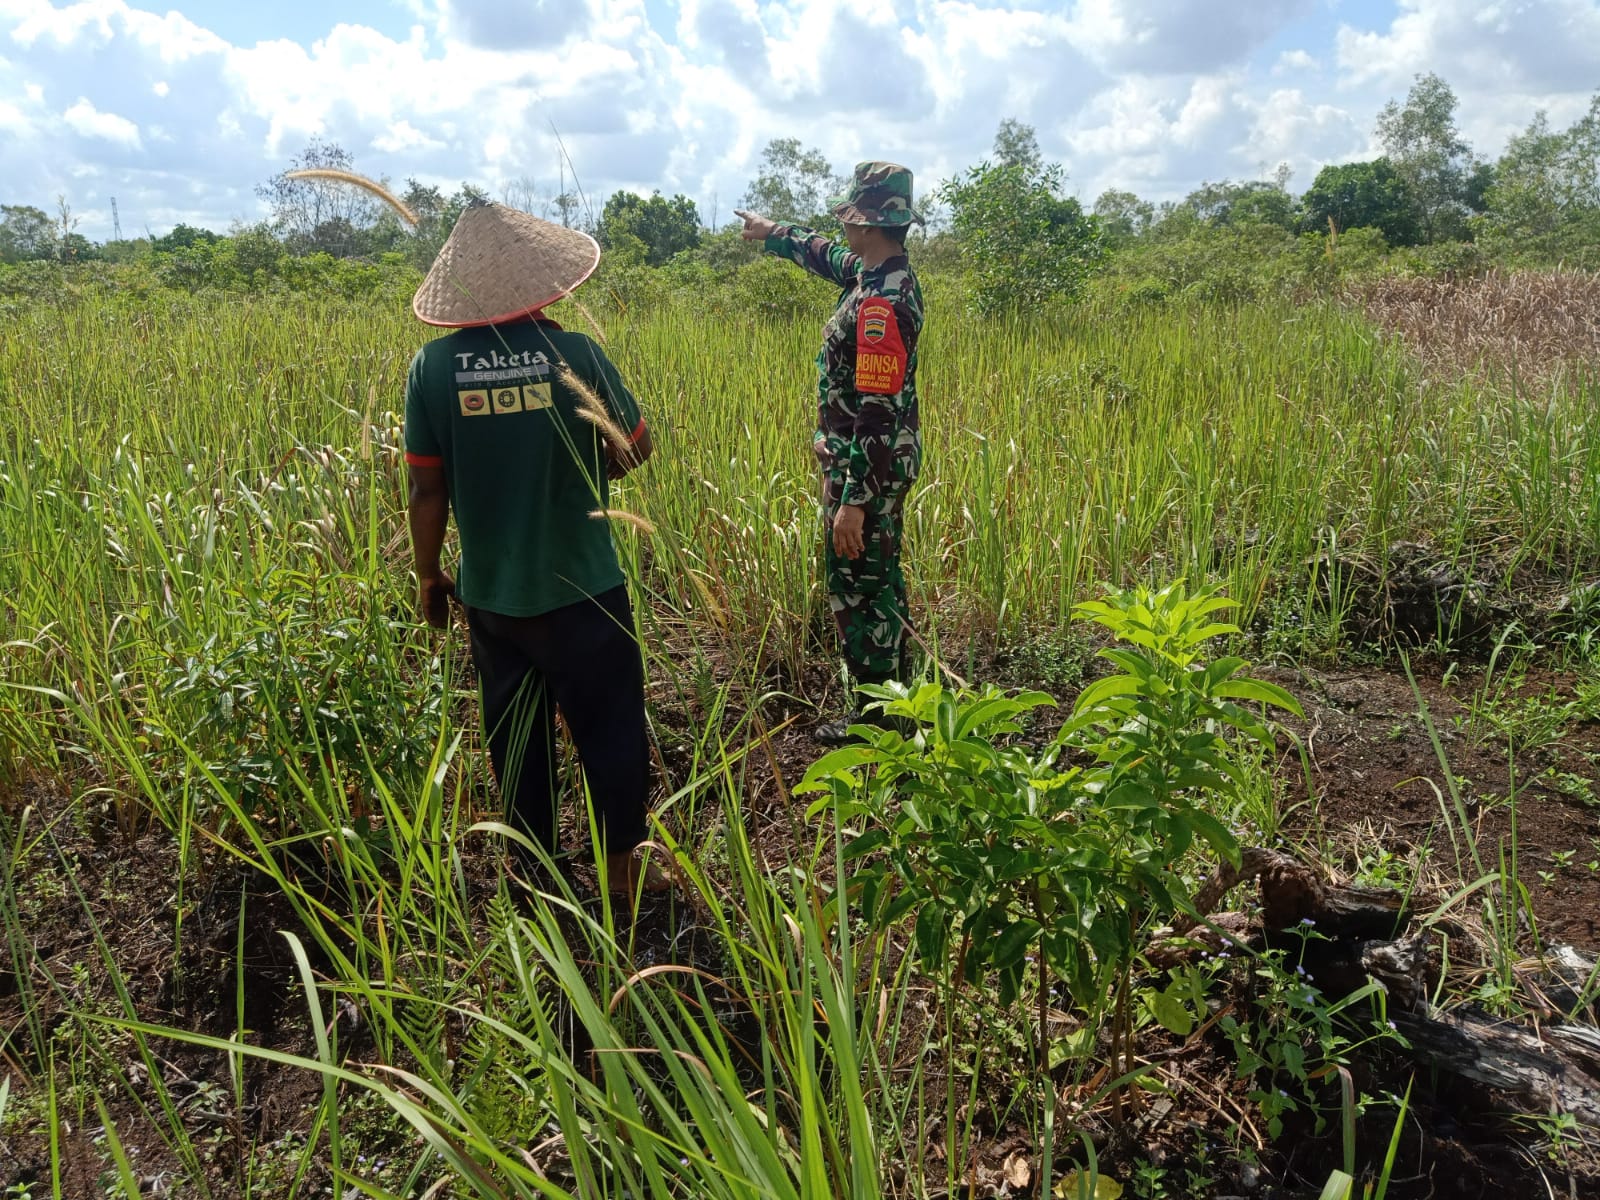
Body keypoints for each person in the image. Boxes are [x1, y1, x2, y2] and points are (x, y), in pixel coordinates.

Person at [403, 201, 668, 896]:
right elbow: (635, 448)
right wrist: (587, 465)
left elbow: (427, 489)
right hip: (585, 590)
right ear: (544, 281)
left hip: (493, 600)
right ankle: (623, 872)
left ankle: (539, 878)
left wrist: (428, 575)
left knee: (516, 742)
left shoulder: (432, 368)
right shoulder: (576, 354)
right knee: (611, 729)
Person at [736, 161, 926, 744]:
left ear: (867, 223)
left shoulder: (882, 303)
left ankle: (877, 724)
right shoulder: (875, 274)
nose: (843, 227)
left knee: (858, 587)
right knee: (880, 577)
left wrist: (854, 502)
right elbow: (829, 256)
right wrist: (774, 234)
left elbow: (877, 410)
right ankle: (900, 701)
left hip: (867, 468)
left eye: (849, 217)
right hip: (868, 463)